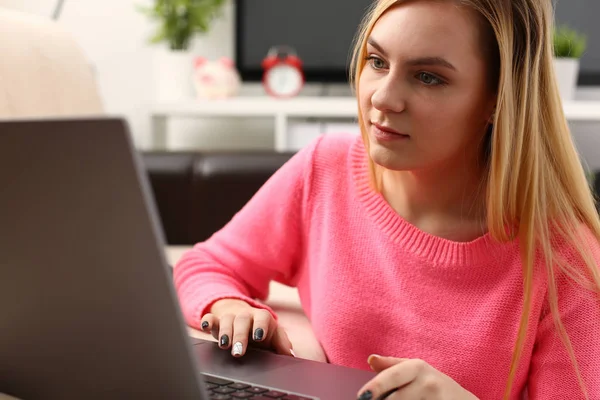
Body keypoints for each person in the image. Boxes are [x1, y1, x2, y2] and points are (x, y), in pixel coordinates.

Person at [173, 0, 600, 398]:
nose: (381, 97)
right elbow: (206, 264)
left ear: (498, 98)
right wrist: (229, 307)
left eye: (428, 77)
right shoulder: (327, 168)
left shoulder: (566, 260)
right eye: (377, 61)